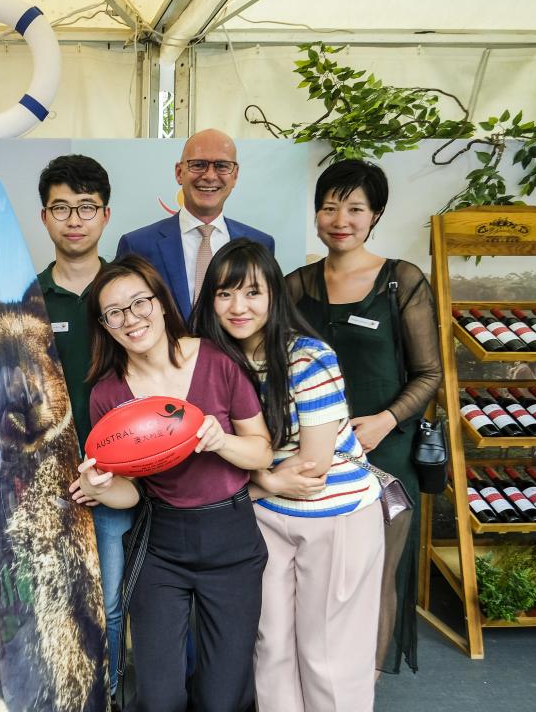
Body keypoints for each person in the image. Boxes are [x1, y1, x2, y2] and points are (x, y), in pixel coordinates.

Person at [191, 238, 384, 711]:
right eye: (224, 293)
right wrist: (269, 482)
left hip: (334, 516)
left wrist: (254, 471)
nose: (238, 307)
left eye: (252, 293)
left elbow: (312, 469)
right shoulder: (211, 362)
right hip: (262, 513)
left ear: (275, 295)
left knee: (327, 655)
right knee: (269, 646)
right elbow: (202, 457)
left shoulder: (308, 358)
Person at [74, 254, 272, 712]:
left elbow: (261, 451)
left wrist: (221, 441)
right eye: (115, 313)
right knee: (160, 696)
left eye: (139, 302)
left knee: (224, 697)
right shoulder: (109, 394)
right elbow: (131, 491)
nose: (131, 319)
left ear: (161, 304)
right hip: (161, 546)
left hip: (232, 541)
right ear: (105, 326)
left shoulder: (218, 361)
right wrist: (103, 488)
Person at [284, 159, 441, 673]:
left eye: (354, 208)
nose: (340, 218)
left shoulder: (402, 281)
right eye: (329, 207)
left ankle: (364, 684)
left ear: (375, 215)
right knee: (316, 574)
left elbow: (429, 374)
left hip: (386, 452)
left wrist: (384, 420)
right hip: (313, 455)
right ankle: (316, 677)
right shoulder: (294, 285)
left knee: (378, 573)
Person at [34, 154, 133, 698]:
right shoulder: (27, 297)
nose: (75, 219)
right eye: (62, 207)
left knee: (111, 605)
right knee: (52, 604)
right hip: (46, 484)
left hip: (114, 480)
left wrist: (116, 474)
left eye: (87, 207)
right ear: (44, 216)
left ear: (106, 214)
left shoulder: (128, 294)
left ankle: (108, 695)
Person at [116, 128, 274, 319]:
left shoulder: (261, 244)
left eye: (222, 166)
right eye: (198, 165)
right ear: (179, 172)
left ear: (235, 175)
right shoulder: (137, 245)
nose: (209, 175)